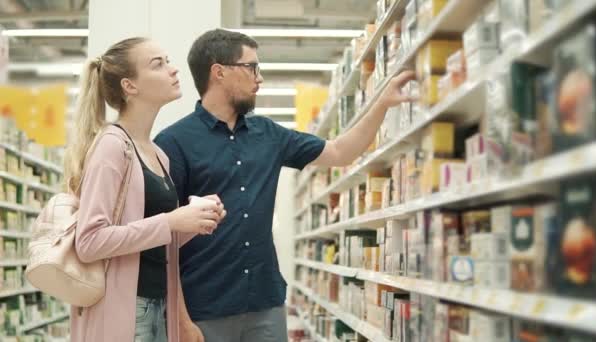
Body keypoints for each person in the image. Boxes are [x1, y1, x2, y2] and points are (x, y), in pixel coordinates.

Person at [155, 29, 415, 342]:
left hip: (266, 305)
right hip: (204, 309)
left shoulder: (269, 135)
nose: (259, 78)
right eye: (251, 67)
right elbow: (164, 242)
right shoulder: (173, 143)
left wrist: (382, 103)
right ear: (219, 72)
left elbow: (340, 151)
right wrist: (181, 320)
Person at [65, 37, 226, 342]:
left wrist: (194, 220)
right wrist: (171, 221)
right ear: (130, 86)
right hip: (125, 309)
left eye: (168, 61)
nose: (173, 70)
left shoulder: (157, 154)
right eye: (159, 64)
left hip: (159, 305)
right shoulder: (112, 146)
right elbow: (89, 241)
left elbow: (153, 240)